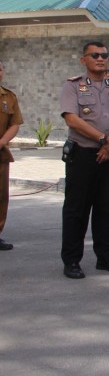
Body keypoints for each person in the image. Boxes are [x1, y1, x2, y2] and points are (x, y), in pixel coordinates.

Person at [59, 42, 109, 279]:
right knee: (77, 209)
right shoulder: (73, 86)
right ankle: (72, 260)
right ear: (84, 60)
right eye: (95, 55)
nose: (101, 58)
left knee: (107, 208)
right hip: (83, 154)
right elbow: (72, 119)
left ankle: (105, 257)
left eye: (104, 55)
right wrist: (104, 139)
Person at [0, 59, 22, 252]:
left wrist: (1, 142)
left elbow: (14, 124)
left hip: (0, 154)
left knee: (1, 196)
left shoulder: (9, 97)